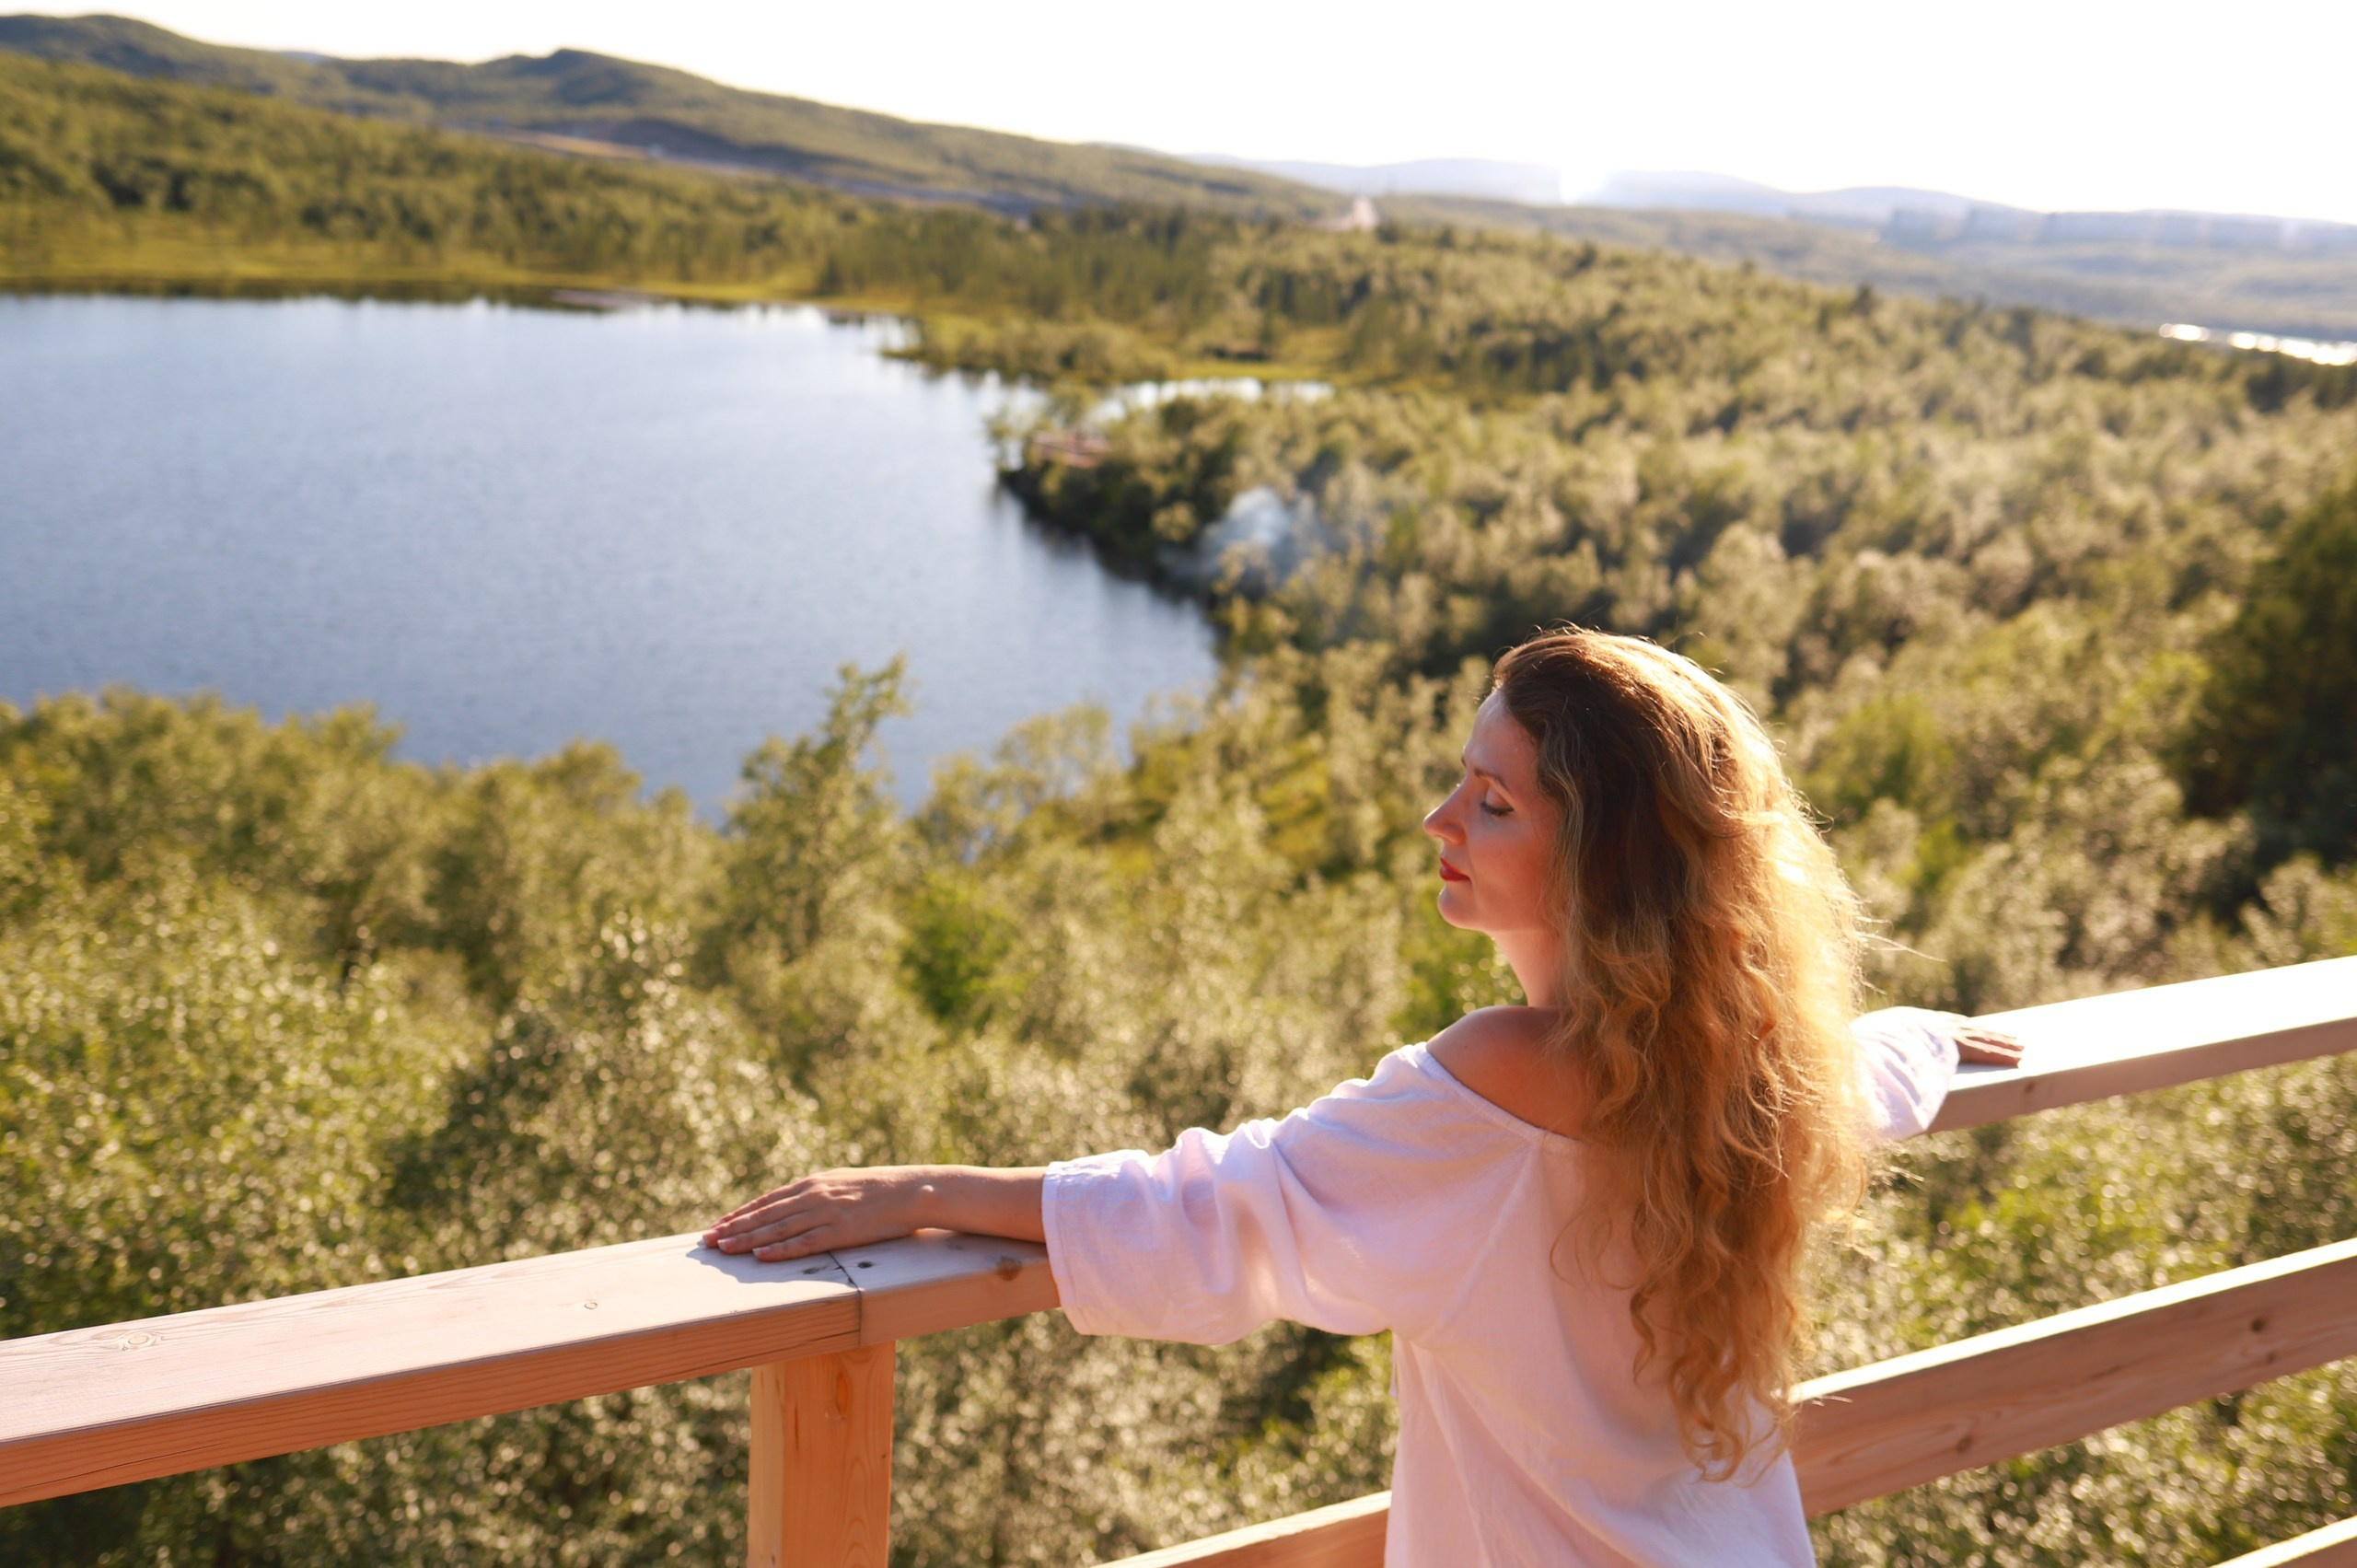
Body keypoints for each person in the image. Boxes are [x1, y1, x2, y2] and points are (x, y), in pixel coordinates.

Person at [705, 626, 2020, 1566]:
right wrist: (1931, 1040)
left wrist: (924, 1192)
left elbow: (1225, 1207)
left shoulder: (1498, 1082)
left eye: (1492, 802)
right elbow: (1863, 1075)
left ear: (1600, 867)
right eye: (1462, 777)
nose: (1439, 820)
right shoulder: (1753, 1066)